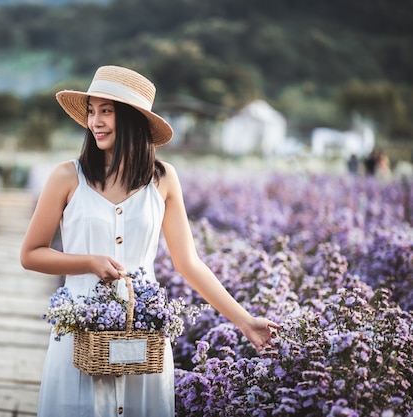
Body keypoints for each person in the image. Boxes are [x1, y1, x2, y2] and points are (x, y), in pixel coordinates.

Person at [20, 65, 280, 417]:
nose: (95, 121)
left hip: (144, 336)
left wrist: (246, 322)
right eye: (92, 111)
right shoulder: (67, 176)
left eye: (106, 111)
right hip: (79, 336)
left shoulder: (163, 179)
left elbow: (188, 263)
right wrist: (88, 262)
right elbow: (31, 254)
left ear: (131, 118)